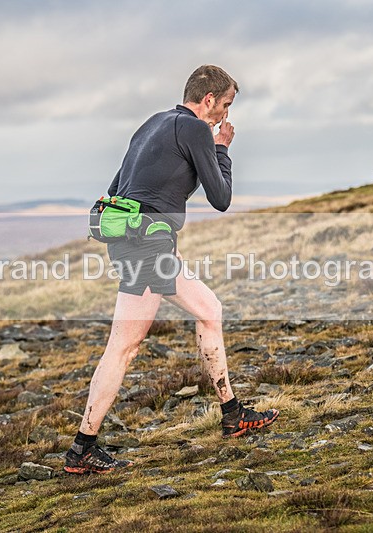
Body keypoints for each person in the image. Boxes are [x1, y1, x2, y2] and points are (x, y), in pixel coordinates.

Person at [64, 65, 280, 474]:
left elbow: (116, 191)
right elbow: (220, 197)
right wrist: (221, 149)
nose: (225, 116)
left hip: (140, 241)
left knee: (209, 309)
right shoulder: (198, 129)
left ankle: (232, 413)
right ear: (209, 99)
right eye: (226, 105)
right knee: (123, 346)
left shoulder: (151, 124)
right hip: (148, 247)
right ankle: (81, 449)